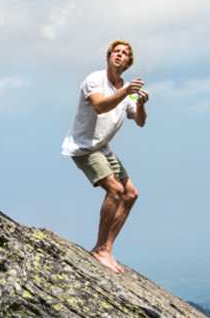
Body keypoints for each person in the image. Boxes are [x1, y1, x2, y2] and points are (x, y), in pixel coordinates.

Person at [60, 40, 149, 273]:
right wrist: (126, 92)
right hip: (84, 147)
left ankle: (107, 248)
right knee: (115, 190)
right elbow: (99, 106)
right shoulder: (95, 80)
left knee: (130, 193)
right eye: (116, 52)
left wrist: (140, 103)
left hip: (103, 147)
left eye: (125, 54)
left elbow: (139, 121)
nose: (119, 55)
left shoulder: (127, 88)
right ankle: (100, 249)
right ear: (109, 56)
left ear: (128, 63)